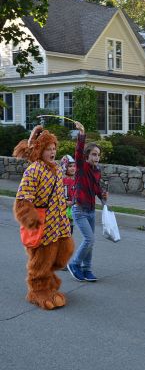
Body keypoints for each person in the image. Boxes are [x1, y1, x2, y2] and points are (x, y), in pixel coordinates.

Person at [13, 125, 74, 310]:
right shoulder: (34, 170)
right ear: (40, 150)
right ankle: (38, 290)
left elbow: (58, 195)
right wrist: (30, 218)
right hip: (42, 223)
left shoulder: (56, 169)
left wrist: (64, 214)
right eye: (49, 149)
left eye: (54, 149)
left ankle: (48, 278)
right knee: (42, 258)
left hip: (59, 222)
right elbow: (23, 199)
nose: (53, 152)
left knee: (64, 252)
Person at [67, 121, 108, 282]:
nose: (96, 157)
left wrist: (103, 195)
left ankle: (87, 269)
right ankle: (75, 264)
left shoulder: (97, 171)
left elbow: (96, 188)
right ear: (87, 156)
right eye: (93, 154)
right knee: (89, 239)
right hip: (79, 209)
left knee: (91, 242)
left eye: (98, 155)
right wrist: (82, 133)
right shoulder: (81, 167)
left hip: (91, 210)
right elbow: (78, 151)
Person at [60, 154, 76, 270]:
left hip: (71, 213)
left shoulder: (75, 181)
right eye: (70, 166)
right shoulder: (61, 180)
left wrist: (74, 202)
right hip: (61, 213)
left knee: (68, 236)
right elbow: (56, 195)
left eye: (74, 166)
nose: (73, 168)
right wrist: (65, 203)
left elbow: (77, 195)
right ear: (65, 166)